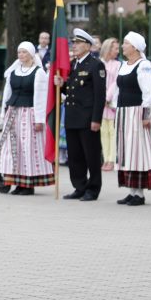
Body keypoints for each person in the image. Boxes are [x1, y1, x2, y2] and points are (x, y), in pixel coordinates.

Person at [55, 28, 106, 201]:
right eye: (73, 43)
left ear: (87, 45)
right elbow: (69, 90)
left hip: (87, 118)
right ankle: (79, 186)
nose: (74, 46)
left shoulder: (95, 64)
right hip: (71, 117)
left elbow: (100, 95)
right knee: (75, 156)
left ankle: (93, 189)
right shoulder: (71, 65)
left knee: (91, 155)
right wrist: (60, 84)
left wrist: (96, 119)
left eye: (77, 43)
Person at [0, 42, 52, 195]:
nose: (21, 55)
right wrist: (3, 113)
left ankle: (28, 184)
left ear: (31, 54)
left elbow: (41, 97)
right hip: (13, 113)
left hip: (30, 114)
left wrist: (40, 119)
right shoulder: (13, 72)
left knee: (28, 148)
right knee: (13, 148)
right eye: (19, 52)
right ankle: (17, 182)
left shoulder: (39, 73)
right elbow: (7, 94)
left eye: (24, 52)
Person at [112, 31, 151, 206]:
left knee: (137, 152)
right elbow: (118, 90)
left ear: (134, 47)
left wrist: (146, 115)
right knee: (126, 152)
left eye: (125, 43)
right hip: (124, 113)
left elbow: (149, 93)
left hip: (137, 113)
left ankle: (139, 193)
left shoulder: (144, 65)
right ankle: (132, 190)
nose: (122, 46)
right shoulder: (123, 65)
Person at [100, 37, 120, 171]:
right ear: (108, 48)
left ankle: (112, 160)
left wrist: (107, 97)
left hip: (111, 102)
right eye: (115, 48)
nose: (118, 51)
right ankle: (105, 159)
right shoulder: (98, 63)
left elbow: (116, 82)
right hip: (100, 103)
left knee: (112, 132)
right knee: (103, 131)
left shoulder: (118, 65)